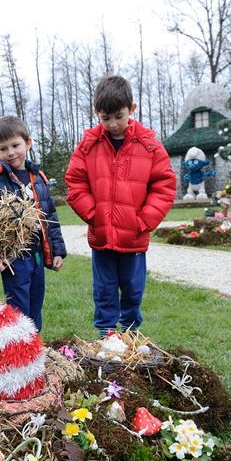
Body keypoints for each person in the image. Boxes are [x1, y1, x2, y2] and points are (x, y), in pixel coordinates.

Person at [64, 75, 176, 335]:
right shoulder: (88, 145)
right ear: (97, 114)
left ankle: (130, 332)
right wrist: (93, 215)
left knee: (133, 287)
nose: (113, 124)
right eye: (105, 118)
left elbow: (164, 186)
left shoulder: (149, 145)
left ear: (132, 109)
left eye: (119, 116)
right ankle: (105, 333)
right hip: (102, 236)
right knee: (104, 287)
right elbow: (75, 182)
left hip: (134, 237)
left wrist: (143, 221)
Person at [0, 115, 66, 331]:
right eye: (3, 148)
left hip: (36, 256)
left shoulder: (38, 177)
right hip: (13, 259)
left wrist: (57, 251)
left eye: (15, 145)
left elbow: (50, 216)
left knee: (36, 306)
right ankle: (17, 355)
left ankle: (34, 350)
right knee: (17, 312)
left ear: (28, 142)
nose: (10, 153)